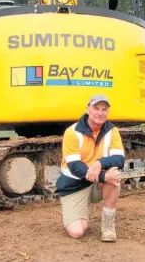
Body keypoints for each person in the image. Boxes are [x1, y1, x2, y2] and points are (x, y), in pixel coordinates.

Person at [56, 94, 125, 242]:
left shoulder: (112, 131)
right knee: (77, 232)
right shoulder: (72, 132)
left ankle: (108, 225)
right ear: (88, 109)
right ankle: (79, 211)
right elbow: (74, 167)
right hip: (74, 185)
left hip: (96, 185)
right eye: (96, 108)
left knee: (114, 176)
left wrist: (99, 164)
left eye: (104, 109)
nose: (100, 113)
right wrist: (102, 176)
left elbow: (119, 159)